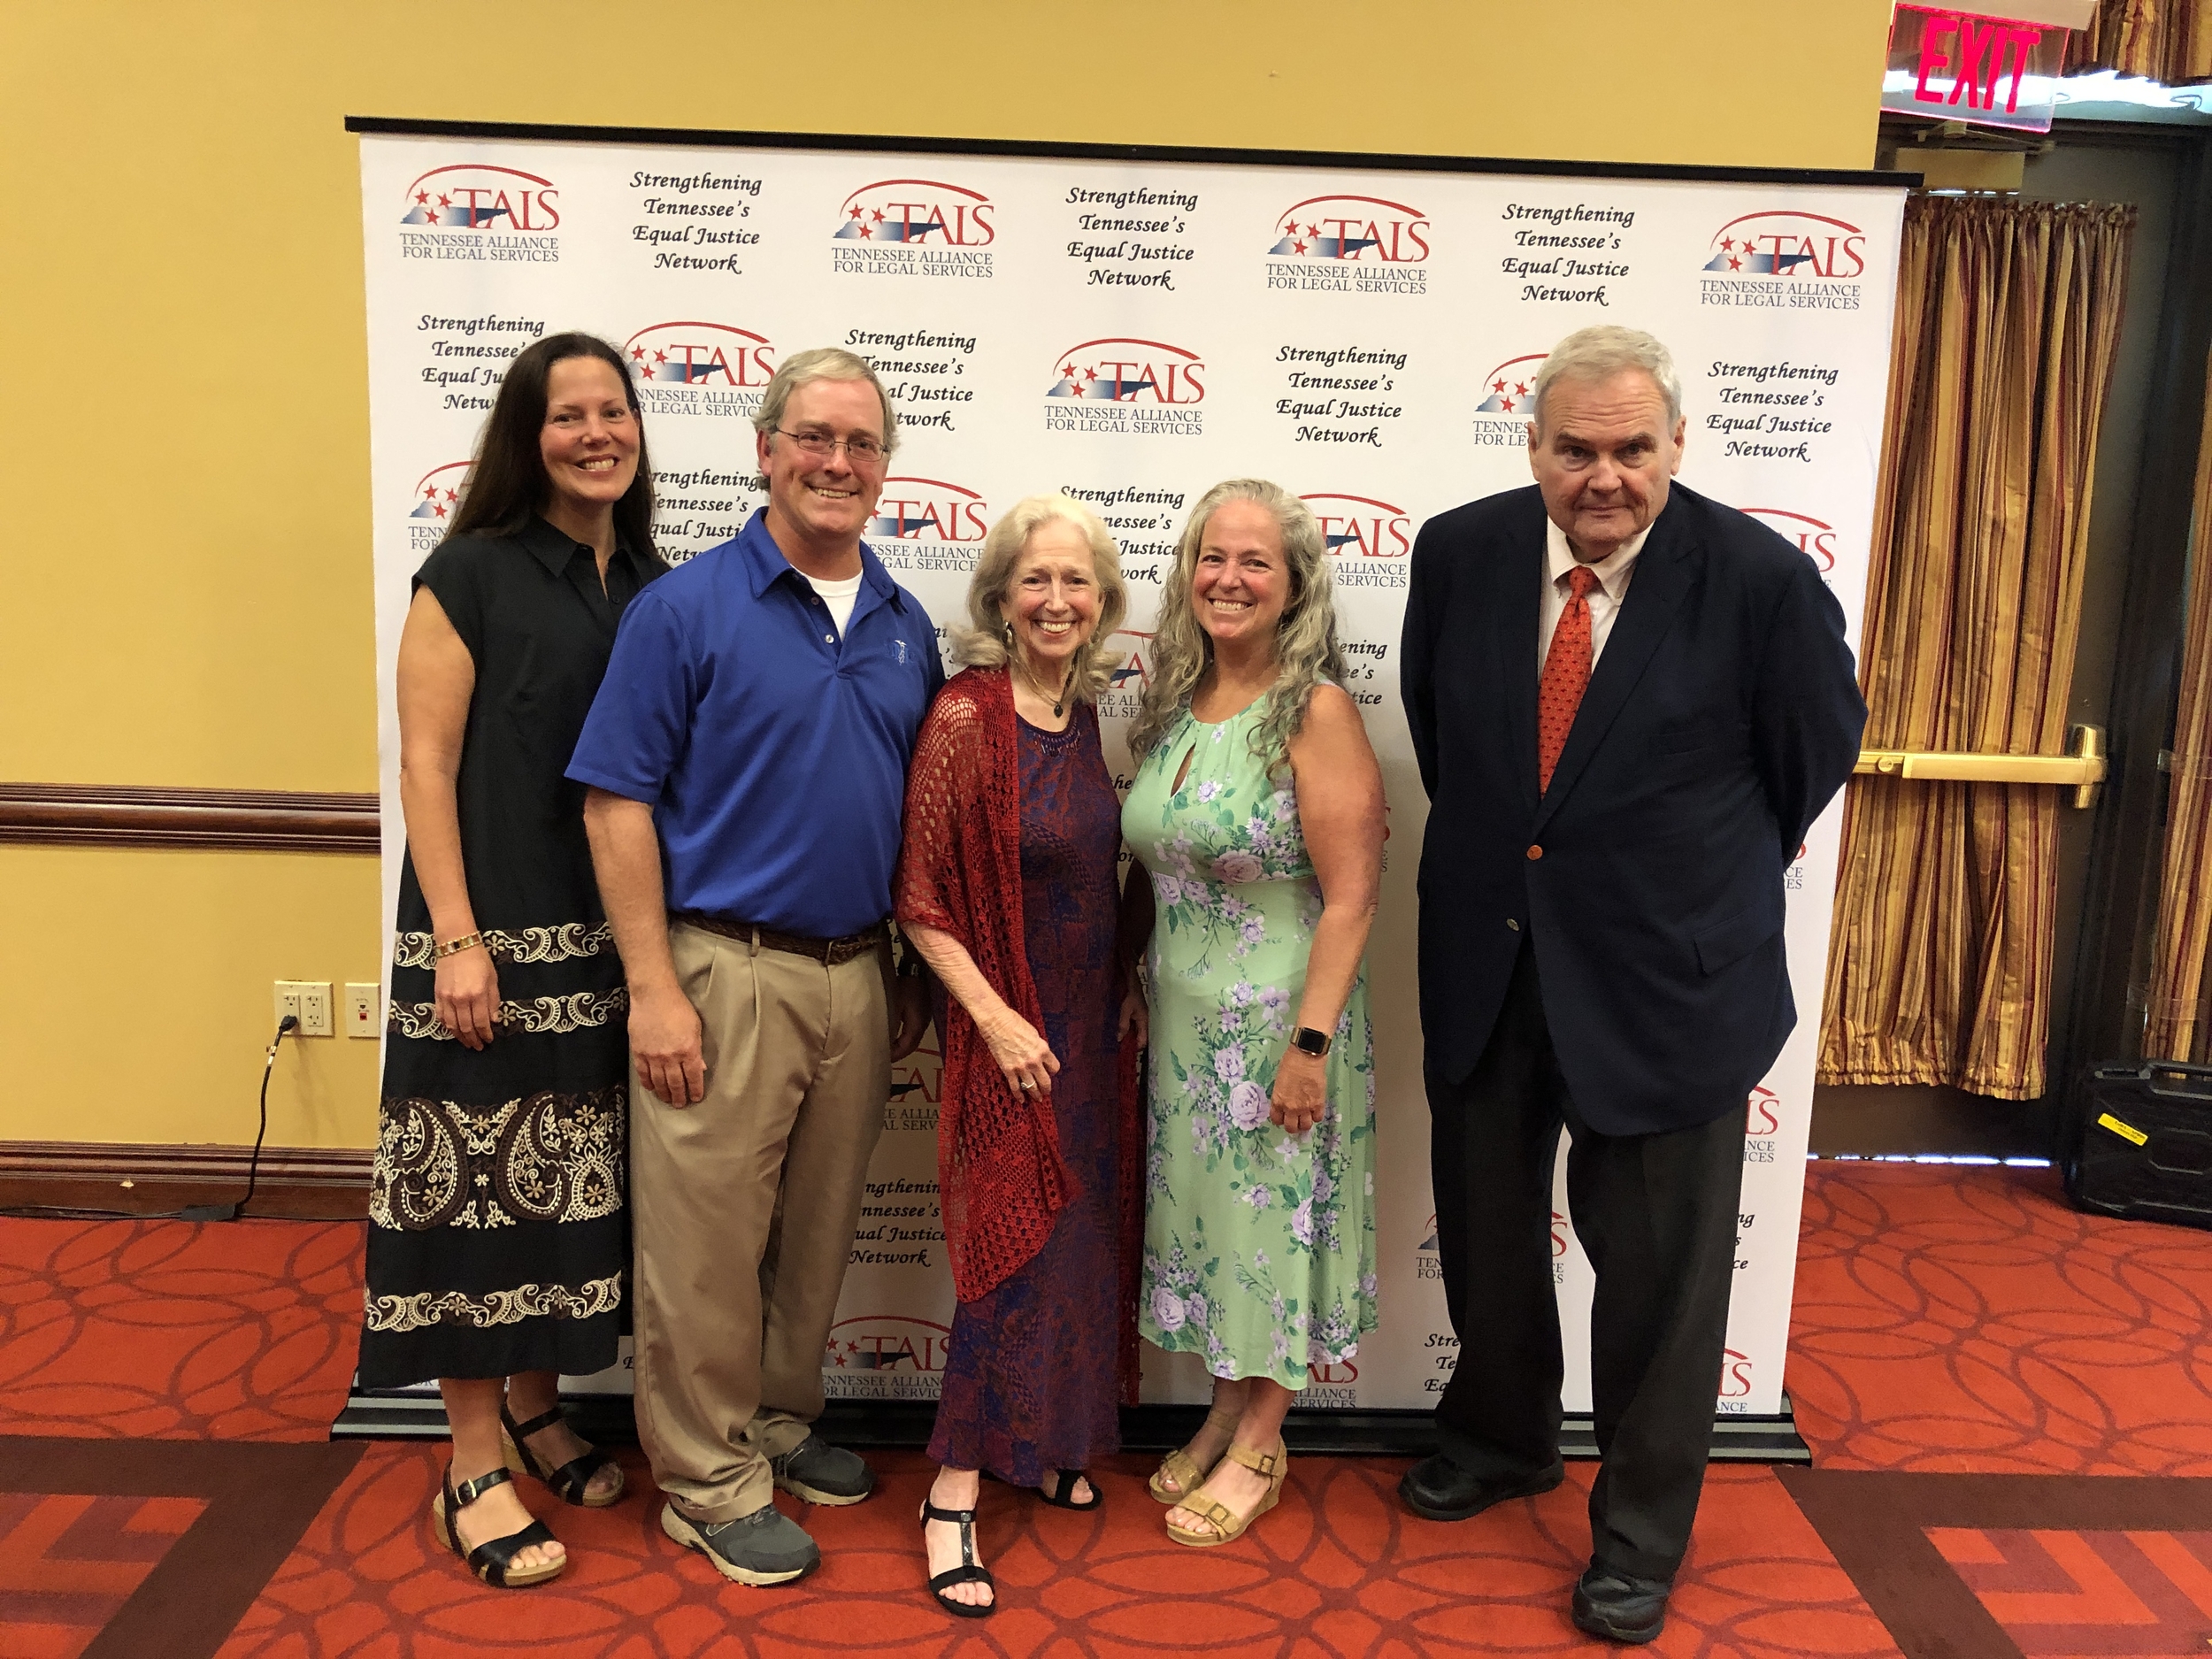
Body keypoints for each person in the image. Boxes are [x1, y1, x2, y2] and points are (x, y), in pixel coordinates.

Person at [1399, 324, 1866, 1644]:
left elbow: (1808, 758)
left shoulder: (1762, 582)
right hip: (1491, 955)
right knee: (1489, 1234)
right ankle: (1501, 1438)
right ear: (1533, 445)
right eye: (1575, 449)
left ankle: (1641, 1534)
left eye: (1631, 449)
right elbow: (1449, 735)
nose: (1603, 477)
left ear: (1677, 445)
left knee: (1659, 1286)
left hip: (1670, 985)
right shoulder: (1461, 550)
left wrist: (1683, 877)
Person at [566, 348, 942, 1588]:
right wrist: (653, 985)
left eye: (862, 444)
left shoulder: (901, 622)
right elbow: (615, 801)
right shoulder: (685, 608)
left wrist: (912, 976)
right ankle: (706, 1479)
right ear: (766, 448)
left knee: (816, 1231)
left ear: (887, 466)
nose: (838, 463)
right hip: (722, 969)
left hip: (857, 971)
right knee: (708, 1244)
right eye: (815, 438)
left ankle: (776, 1422)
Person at [363, 332, 664, 1589]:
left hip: (607, 946)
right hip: (484, 942)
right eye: (566, 413)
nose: (595, 431)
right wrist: (457, 938)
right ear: (524, 434)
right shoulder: (471, 572)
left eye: (613, 410)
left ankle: (541, 1408)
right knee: (473, 1195)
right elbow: (426, 764)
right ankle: (472, 1454)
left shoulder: (652, 581)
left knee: (568, 1189)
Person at [1120, 479, 1385, 1548]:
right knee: (1211, 1228)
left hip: (1280, 1025)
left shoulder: (1311, 710)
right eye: (1210, 558)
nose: (1227, 579)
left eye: (1254, 563)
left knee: (1272, 1227)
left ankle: (1266, 1436)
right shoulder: (1175, 703)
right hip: (1185, 1033)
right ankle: (1226, 1401)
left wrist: (1309, 1045)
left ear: (1293, 586)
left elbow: (1354, 894)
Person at [895, 493, 1144, 1617]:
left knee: (1077, 1240)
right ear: (1001, 597)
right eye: (1035, 581)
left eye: (1076, 582)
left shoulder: (1086, 712)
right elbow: (920, 901)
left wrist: (1127, 984)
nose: (1056, 600)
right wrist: (992, 1020)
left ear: (1103, 605)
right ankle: (951, 1488)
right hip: (1008, 1031)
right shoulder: (965, 716)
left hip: (1089, 1031)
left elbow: (1103, 874)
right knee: (1006, 1247)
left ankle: (1046, 1438)